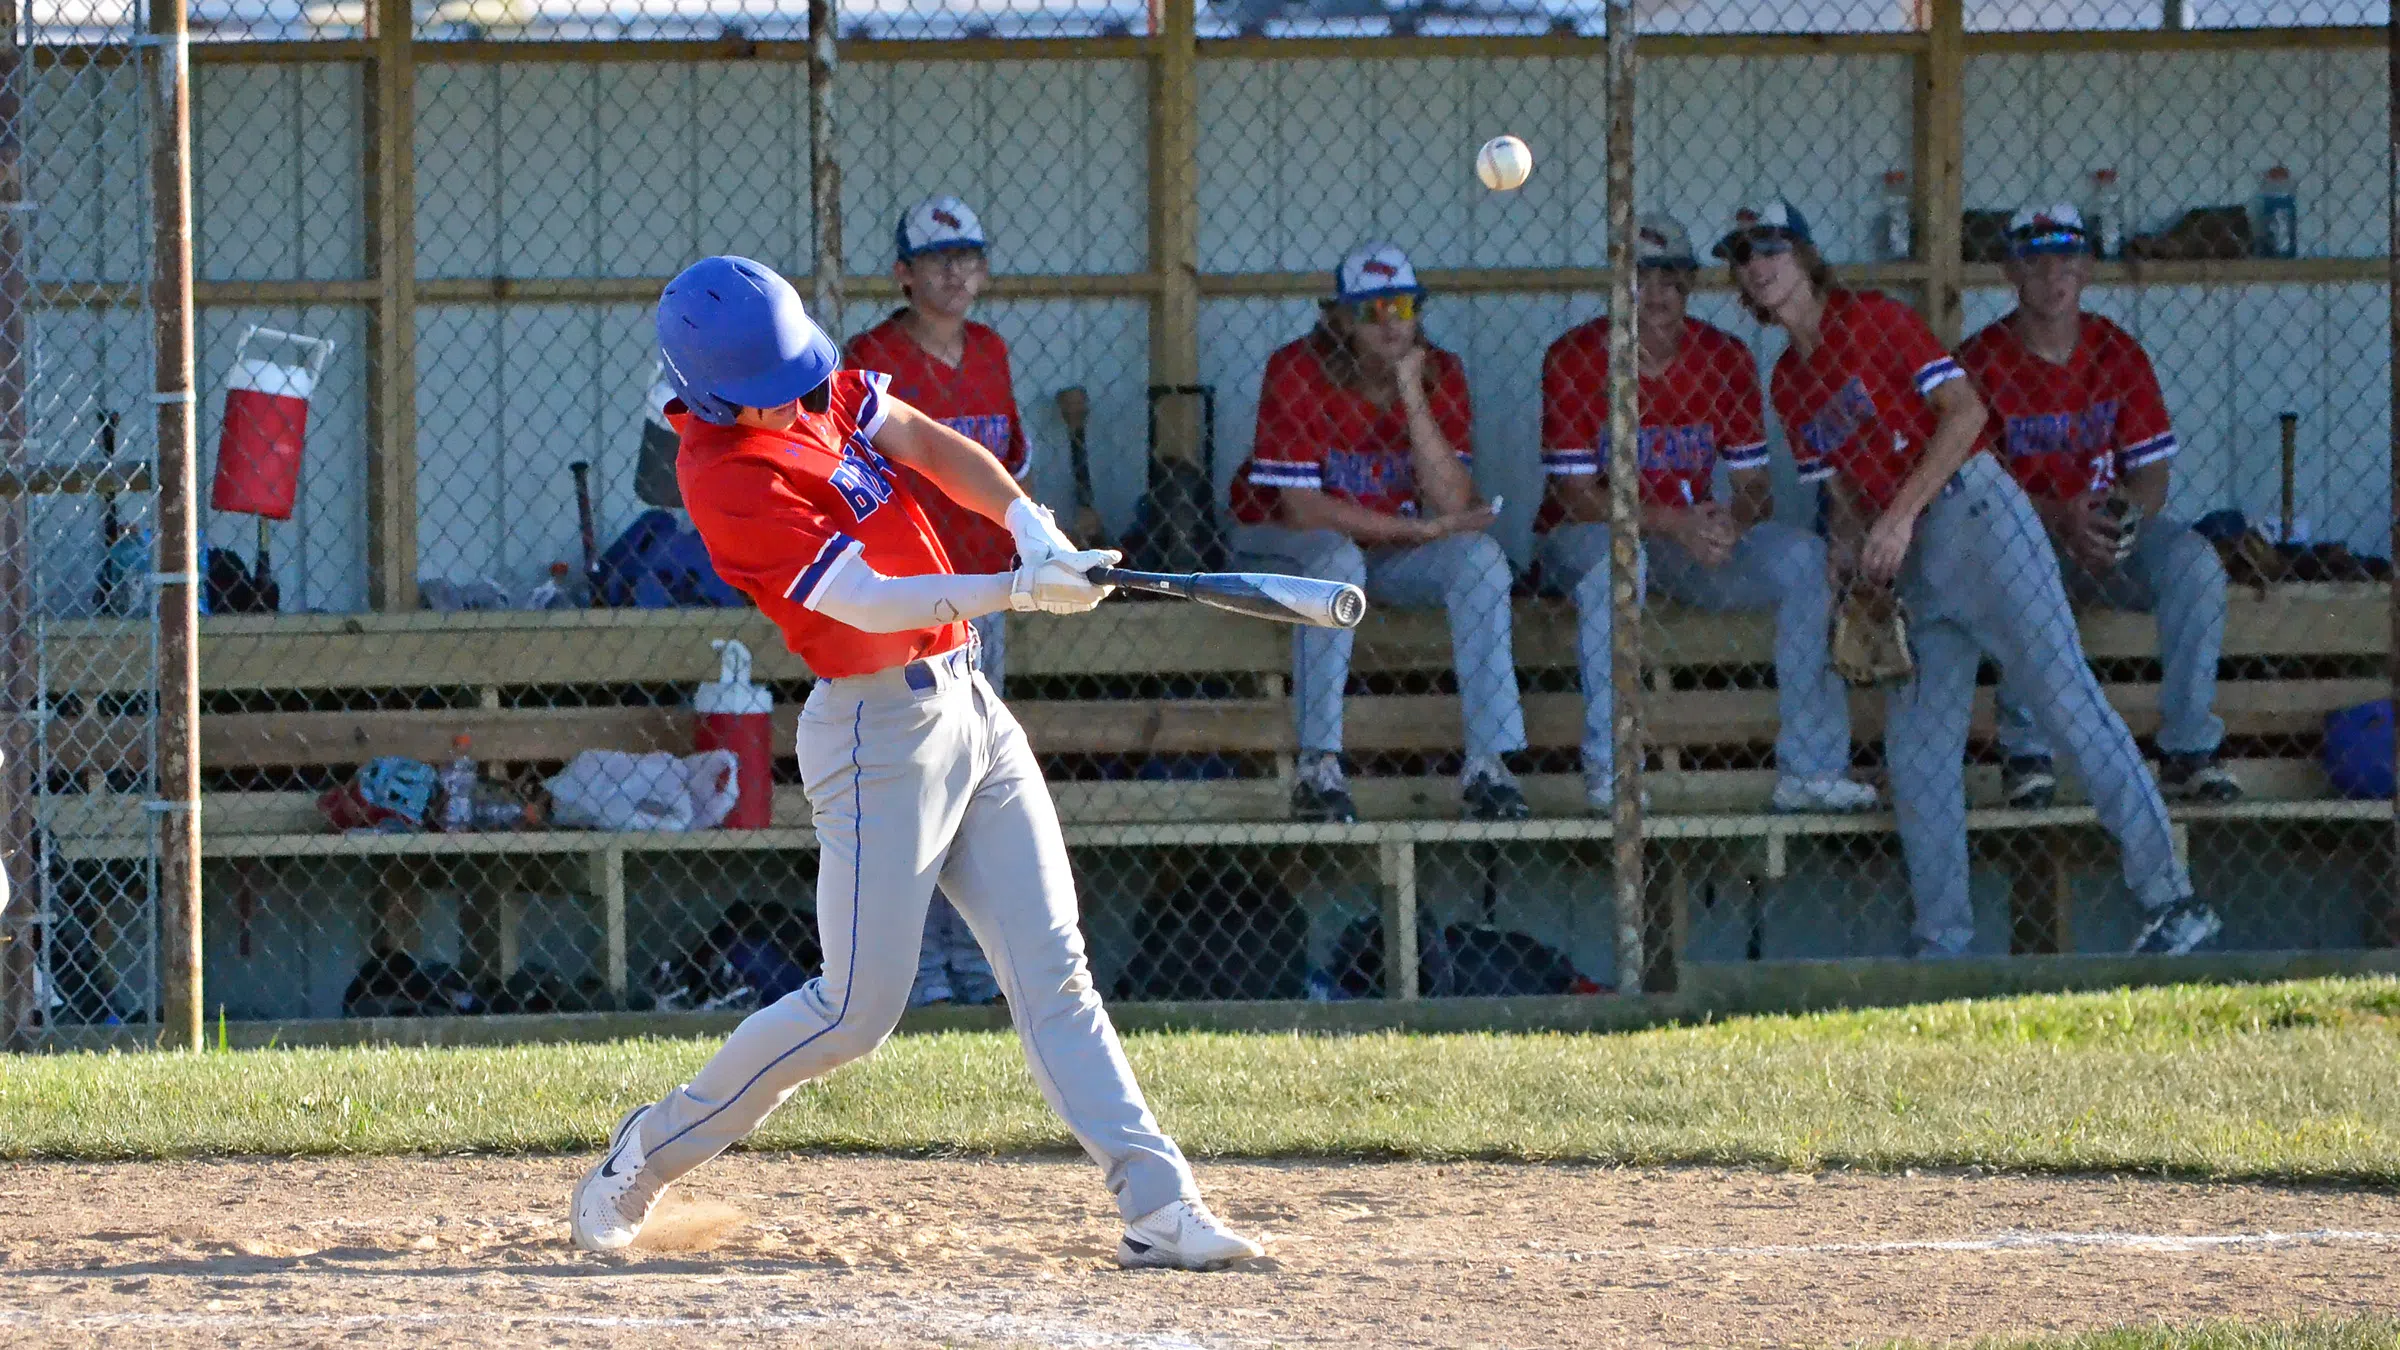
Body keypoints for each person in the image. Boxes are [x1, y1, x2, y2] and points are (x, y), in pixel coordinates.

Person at [571, 256, 1262, 1272]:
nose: (792, 402)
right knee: (856, 1013)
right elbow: (867, 599)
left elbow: (927, 444)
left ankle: (1161, 1207)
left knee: (1055, 970)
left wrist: (1032, 526)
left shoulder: (812, 384)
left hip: (971, 707)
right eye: (764, 394)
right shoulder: (721, 476)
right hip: (875, 734)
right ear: (713, 395)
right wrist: (1019, 590)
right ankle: (641, 1159)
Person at [1721, 200, 2219, 959]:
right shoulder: (1790, 378)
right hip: (1910, 560)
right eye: (1744, 253)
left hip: (1974, 519)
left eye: (1773, 246)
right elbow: (1842, 492)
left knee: (2065, 702)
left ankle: (2172, 901)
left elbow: (1965, 414)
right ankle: (1943, 942)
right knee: (1917, 753)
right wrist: (1854, 553)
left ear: (1807, 255)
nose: (1759, 263)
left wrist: (1898, 516)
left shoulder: (1875, 320)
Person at [1537, 214, 1874, 816]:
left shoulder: (1725, 357)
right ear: (1617, 285)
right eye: (1641, 277)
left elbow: (1754, 486)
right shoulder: (1575, 357)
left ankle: (1812, 770)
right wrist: (1678, 523)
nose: (1658, 292)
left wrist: (1731, 524)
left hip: (1686, 541)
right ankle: (1611, 769)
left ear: (1691, 284)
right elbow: (1575, 497)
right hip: (1587, 538)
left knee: (1804, 558)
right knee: (1621, 563)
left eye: (1672, 277)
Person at [1228, 242, 1528, 823]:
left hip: (1390, 548)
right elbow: (1302, 510)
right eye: (1370, 310)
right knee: (1338, 561)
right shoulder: (1296, 368)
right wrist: (1423, 528)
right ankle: (1319, 767)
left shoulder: (1440, 371)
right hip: (1279, 539)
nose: (1390, 322)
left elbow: (1451, 499)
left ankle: (1489, 765)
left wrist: (1412, 392)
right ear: (1337, 318)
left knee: (1482, 558)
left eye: (1403, 306)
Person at [1957, 205, 2238, 809]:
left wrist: (2128, 516)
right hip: (2028, 536)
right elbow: (1971, 491)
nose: (2052, 274)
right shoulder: (1979, 360)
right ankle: (2026, 754)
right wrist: (2062, 517)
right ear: (2010, 270)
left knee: (2195, 563)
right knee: (2012, 554)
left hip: (2111, 534)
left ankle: (2189, 750)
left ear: (2087, 269)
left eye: (2066, 259)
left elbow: (2153, 470)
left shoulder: (2117, 352)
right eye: (2034, 260)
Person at [844, 194, 1027, 1009]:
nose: (957, 272)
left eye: (969, 257)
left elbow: (1008, 465)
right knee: (921, 785)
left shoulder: (989, 349)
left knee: (979, 783)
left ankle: (969, 961)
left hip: (989, 589)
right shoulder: (871, 355)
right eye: (938, 259)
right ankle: (917, 969)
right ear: (904, 275)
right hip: (913, 595)